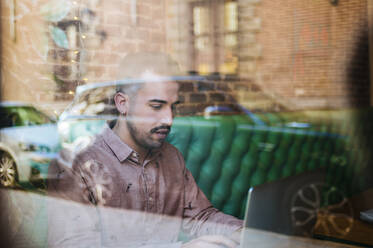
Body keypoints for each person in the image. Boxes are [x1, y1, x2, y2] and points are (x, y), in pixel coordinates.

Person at [47, 52, 242, 248]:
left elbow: (200, 217)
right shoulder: (77, 165)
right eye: (157, 106)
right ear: (122, 103)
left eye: (173, 107)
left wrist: (245, 232)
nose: (169, 119)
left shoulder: (172, 157)